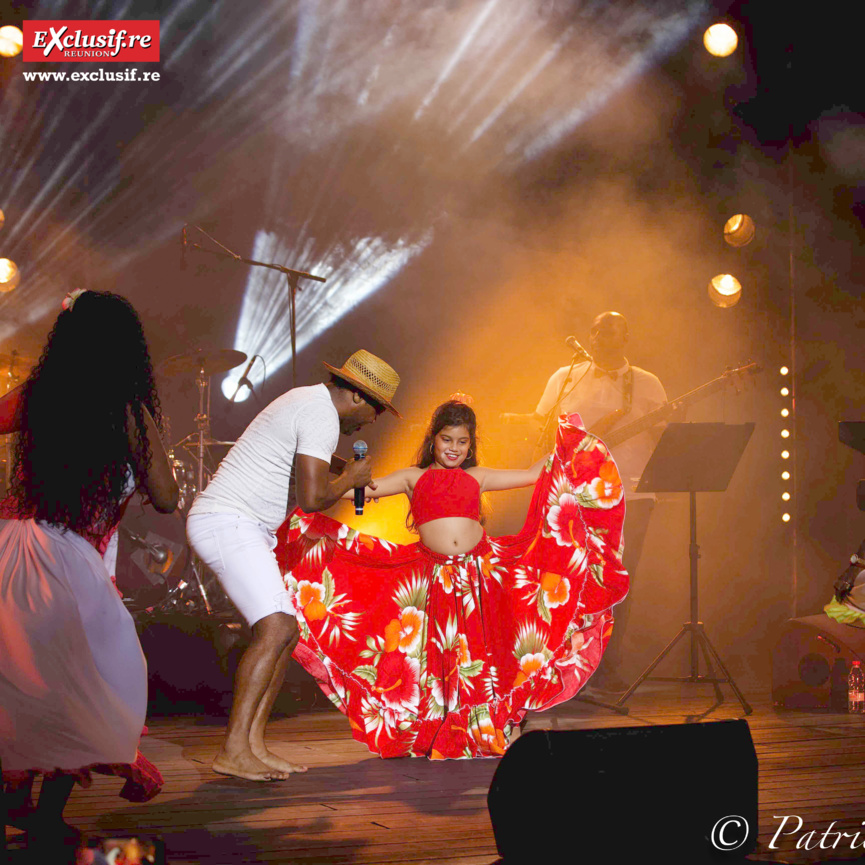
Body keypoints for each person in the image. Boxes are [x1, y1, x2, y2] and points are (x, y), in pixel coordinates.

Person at [275, 399, 628, 759]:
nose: (454, 449)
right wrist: (341, 479)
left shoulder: (478, 477)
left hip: (478, 574)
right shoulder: (414, 477)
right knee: (439, 659)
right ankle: (440, 722)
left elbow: (534, 474)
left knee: (479, 656)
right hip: (433, 576)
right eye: (447, 440)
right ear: (433, 439)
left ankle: (484, 723)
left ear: (471, 444)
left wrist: (567, 440)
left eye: (462, 442)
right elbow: (358, 492)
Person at [0, 289, 179, 843]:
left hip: (9, 549)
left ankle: (16, 801)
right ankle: (46, 813)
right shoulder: (128, 413)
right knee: (89, 683)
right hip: (69, 562)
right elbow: (168, 498)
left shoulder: (38, 395)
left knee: (21, 681)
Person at [186, 349, 401, 781]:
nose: (366, 426)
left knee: (287, 631)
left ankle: (251, 746)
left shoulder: (310, 402)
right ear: (360, 400)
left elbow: (305, 467)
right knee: (278, 627)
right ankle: (232, 749)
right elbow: (312, 498)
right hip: (227, 521)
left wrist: (346, 473)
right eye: (373, 416)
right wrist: (352, 481)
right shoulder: (321, 414)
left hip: (242, 526)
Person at [502, 311, 667, 692]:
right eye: (595, 331)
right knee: (564, 579)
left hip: (631, 493)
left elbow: (663, 436)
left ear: (625, 337)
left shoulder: (646, 382)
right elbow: (542, 428)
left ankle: (607, 669)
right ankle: (559, 667)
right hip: (571, 494)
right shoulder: (565, 376)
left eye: (609, 332)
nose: (599, 338)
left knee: (616, 581)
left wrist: (664, 426)